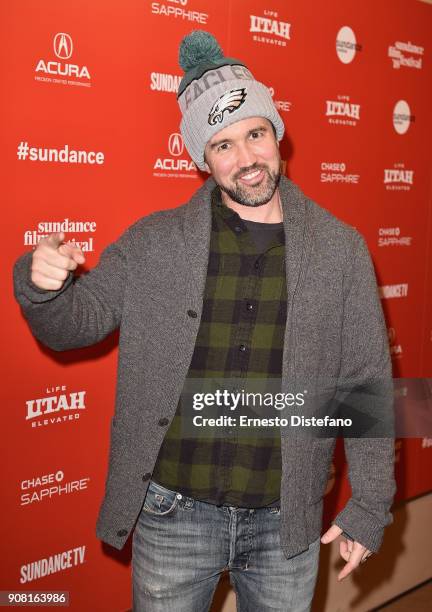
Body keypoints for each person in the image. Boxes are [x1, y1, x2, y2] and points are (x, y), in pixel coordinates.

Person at [13, 30, 396, 612]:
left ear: (276, 134)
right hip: (173, 514)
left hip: (284, 524)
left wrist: (369, 504)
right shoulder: (154, 243)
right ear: (201, 158)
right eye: (223, 145)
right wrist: (42, 286)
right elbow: (74, 325)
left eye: (255, 134)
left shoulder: (340, 250)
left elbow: (368, 383)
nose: (246, 160)